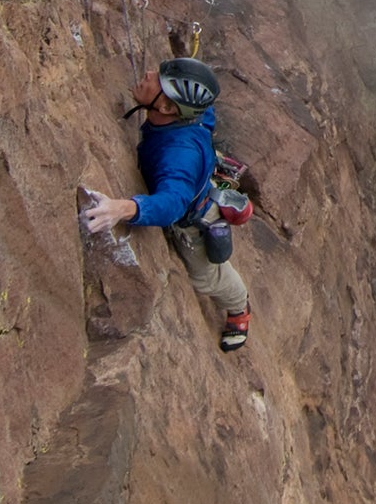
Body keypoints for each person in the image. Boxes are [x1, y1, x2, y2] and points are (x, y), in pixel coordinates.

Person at [81, 57, 253, 351]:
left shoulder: (179, 152)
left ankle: (239, 308)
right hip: (193, 178)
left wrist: (122, 209)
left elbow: (172, 204)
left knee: (206, 279)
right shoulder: (189, 114)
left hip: (195, 214)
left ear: (167, 108)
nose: (148, 73)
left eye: (157, 80)